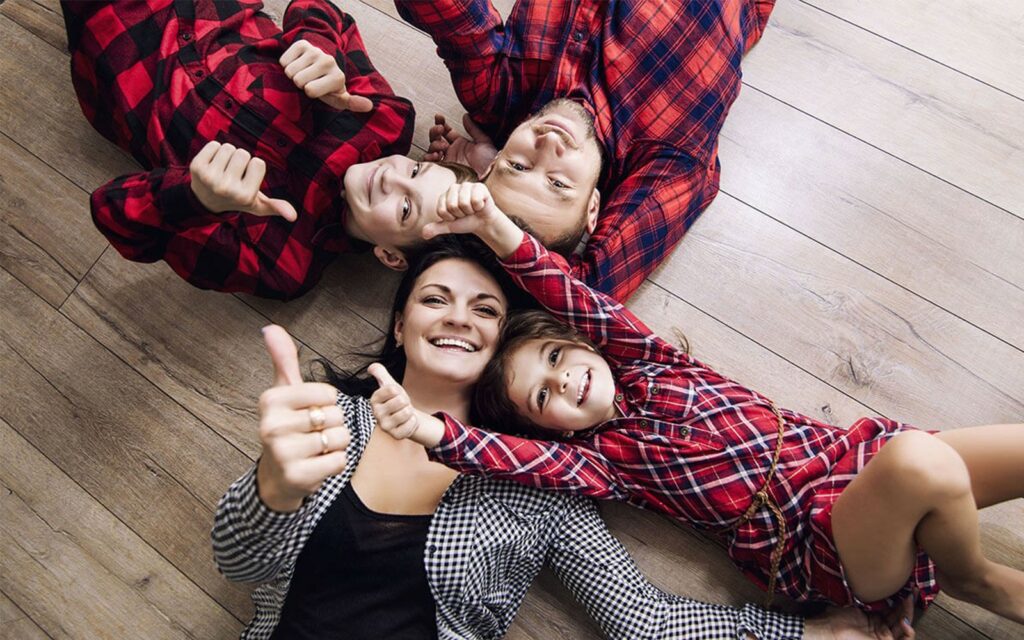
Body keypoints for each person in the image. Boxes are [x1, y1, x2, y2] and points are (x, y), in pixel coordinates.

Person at [374, 183, 1024, 623]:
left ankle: (944, 554)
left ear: (581, 343)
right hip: (817, 543)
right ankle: (976, 581)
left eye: (555, 360)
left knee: (957, 459)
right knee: (918, 463)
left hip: (849, 459)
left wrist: (493, 224)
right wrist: (430, 429)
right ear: (552, 430)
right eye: (542, 397)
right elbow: (513, 458)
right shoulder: (604, 466)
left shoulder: (654, 362)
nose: (563, 382)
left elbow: (572, 297)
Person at [212, 237, 911, 639]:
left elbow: (641, 619)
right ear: (399, 326)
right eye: (433, 298)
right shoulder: (327, 415)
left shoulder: (546, 481)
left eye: (484, 307)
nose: (459, 317)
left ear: (505, 341)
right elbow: (237, 566)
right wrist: (272, 488)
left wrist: (806, 634)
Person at [61, 0, 475, 300]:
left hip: (110, 39)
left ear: (390, 256)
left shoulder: (280, 263)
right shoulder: (383, 120)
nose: (393, 175)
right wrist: (320, 46)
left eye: (405, 208)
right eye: (417, 172)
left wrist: (195, 197)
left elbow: (111, 211)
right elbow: (319, 10)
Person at [397, 0, 775, 301]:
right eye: (558, 184)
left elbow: (455, 17)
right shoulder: (669, 156)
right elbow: (591, 292)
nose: (548, 144)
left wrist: (480, 172)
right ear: (593, 207)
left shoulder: (499, 98)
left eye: (517, 165)